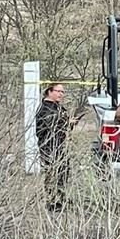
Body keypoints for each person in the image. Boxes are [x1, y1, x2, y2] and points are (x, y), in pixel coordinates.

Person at [35, 84, 75, 212]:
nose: (61, 94)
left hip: (61, 144)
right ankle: (51, 201)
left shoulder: (59, 107)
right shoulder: (45, 109)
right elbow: (50, 124)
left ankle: (61, 198)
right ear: (49, 92)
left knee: (63, 172)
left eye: (62, 92)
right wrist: (65, 122)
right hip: (49, 145)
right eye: (58, 91)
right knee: (52, 172)